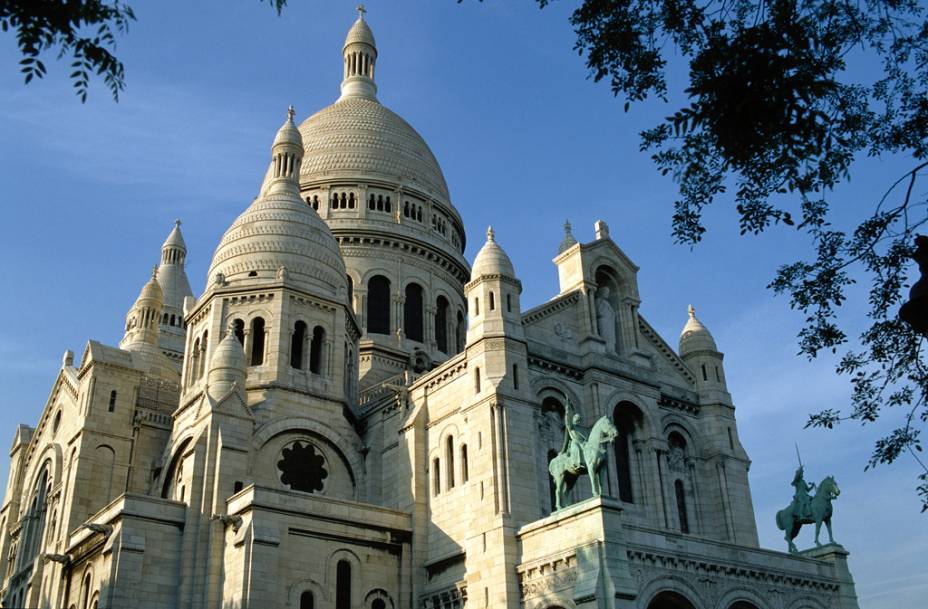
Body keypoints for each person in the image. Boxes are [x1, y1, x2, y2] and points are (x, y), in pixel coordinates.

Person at [561, 399, 587, 471]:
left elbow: (585, 437)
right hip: (575, 442)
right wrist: (567, 410)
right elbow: (567, 422)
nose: (577, 420)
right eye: (576, 418)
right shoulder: (571, 426)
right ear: (573, 419)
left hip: (582, 442)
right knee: (577, 448)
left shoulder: (581, 428)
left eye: (578, 419)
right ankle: (578, 464)